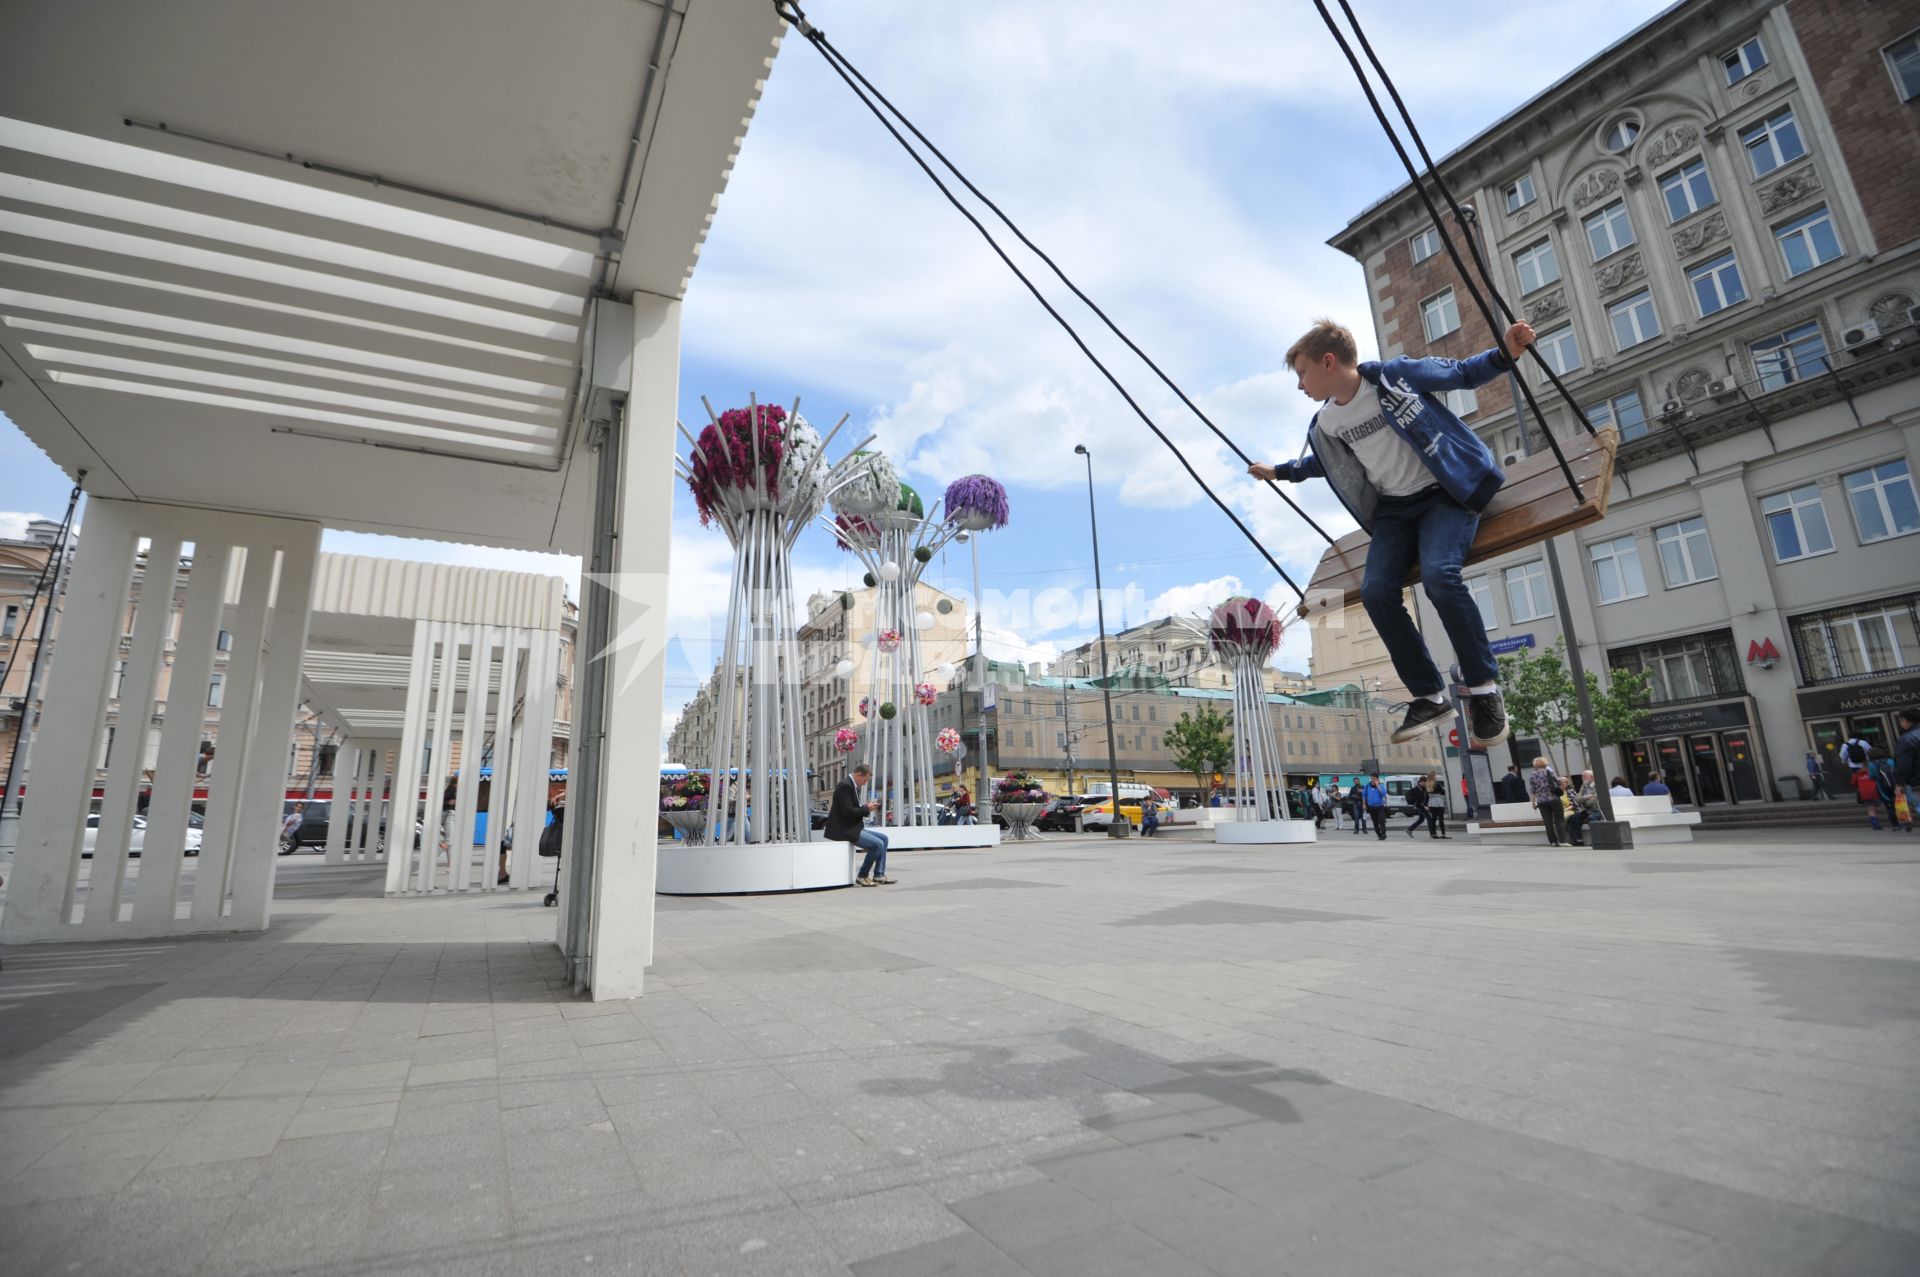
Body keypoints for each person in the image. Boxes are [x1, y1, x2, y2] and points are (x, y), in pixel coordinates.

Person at [1252, 318, 1535, 752]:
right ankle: (1429, 696)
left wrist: (1506, 353)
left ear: (1329, 362)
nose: (1300, 385)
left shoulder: (1394, 377)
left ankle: (1483, 687)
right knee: (1377, 591)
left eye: (1303, 372)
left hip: (1445, 494)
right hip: (1395, 512)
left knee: (1442, 576)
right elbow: (1323, 463)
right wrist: (1281, 472)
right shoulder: (1325, 423)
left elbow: (1459, 373)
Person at [828, 763, 892, 886]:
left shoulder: (850, 785)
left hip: (851, 827)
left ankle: (879, 875)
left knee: (884, 838)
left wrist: (866, 807)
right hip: (844, 829)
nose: (865, 783)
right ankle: (862, 876)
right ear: (858, 775)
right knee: (877, 844)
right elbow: (847, 811)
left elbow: (850, 809)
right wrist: (867, 809)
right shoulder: (845, 786)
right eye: (865, 779)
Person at [1528, 757, 1567, 846]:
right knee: (1559, 820)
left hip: (1541, 801)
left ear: (1535, 765)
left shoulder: (1532, 775)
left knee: (1547, 822)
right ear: (1545, 763)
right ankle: (1562, 841)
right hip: (1554, 799)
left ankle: (1553, 841)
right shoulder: (1549, 772)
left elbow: (1532, 791)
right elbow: (1558, 782)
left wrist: (1533, 803)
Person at [1893, 708, 1919, 834]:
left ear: (1905, 721)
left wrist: (1898, 784)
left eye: (1900, 720)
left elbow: (1903, 764)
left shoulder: (1906, 739)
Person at [1565, 770, 1601, 847]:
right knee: (1573, 818)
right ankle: (1578, 840)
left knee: (1592, 818)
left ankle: (1596, 840)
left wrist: (1584, 801)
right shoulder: (1584, 786)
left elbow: (1593, 801)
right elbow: (1577, 799)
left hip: (1596, 809)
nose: (1582, 778)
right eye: (1582, 776)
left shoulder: (1598, 785)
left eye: (1584, 776)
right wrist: (1586, 797)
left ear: (1592, 777)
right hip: (1585, 810)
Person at [1854, 760, 1888, 830]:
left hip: (1864, 793)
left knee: (1871, 808)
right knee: (1883, 805)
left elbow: (1853, 783)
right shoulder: (1871, 771)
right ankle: (1894, 819)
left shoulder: (1857, 774)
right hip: (1874, 791)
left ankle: (1875, 824)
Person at [1364, 773, 1388, 840]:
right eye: (1371, 778)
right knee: (1375, 822)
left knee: (1381, 820)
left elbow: (1383, 794)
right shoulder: (1367, 786)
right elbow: (1364, 795)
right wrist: (1364, 804)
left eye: (1374, 778)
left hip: (1380, 806)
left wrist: (1378, 786)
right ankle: (1379, 834)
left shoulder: (1381, 785)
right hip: (1371, 807)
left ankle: (1383, 834)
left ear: (1377, 779)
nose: (1373, 780)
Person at [1427, 775, 1451, 840]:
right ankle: (1443, 834)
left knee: (1433, 819)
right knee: (1441, 818)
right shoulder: (1437, 784)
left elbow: (1426, 795)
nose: (1436, 777)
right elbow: (1443, 792)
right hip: (1438, 803)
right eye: (1435, 776)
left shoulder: (1427, 785)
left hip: (1431, 803)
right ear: (1434, 777)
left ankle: (1434, 834)